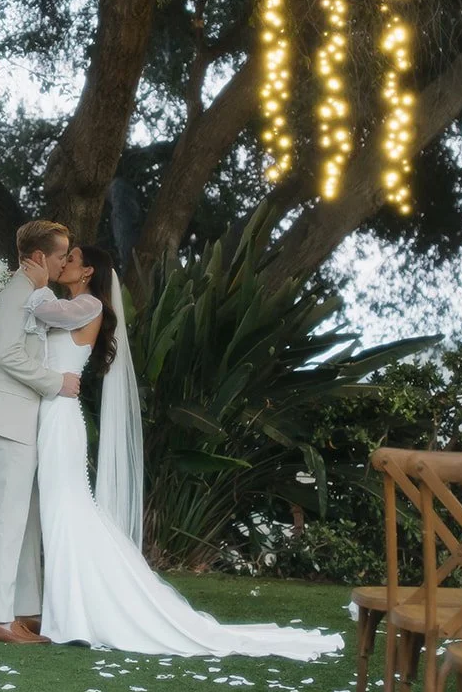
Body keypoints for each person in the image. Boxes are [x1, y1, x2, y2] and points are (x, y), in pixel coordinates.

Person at [23, 245, 344, 660]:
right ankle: (68, 611)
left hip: (62, 418)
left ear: (88, 272)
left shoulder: (87, 304)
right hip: (53, 412)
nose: (62, 261)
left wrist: (33, 285)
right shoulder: (74, 301)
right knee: (62, 508)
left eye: (72, 258)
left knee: (66, 508)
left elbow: (46, 315)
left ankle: (74, 614)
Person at [0, 219, 82, 646]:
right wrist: (56, 383)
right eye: (59, 256)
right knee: (11, 520)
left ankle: (26, 611)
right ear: (38, 257)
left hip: (23, 422)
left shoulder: (36, 295)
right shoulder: (18, 292)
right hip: (8, 420)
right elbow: (6, 355)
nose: (62, 263)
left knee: (27, 519)